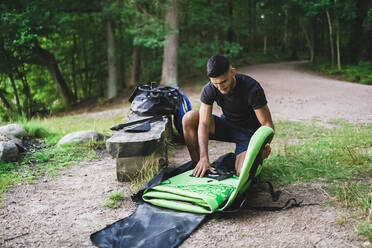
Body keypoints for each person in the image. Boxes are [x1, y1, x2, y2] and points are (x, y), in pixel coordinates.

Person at [182, 55, 274, 178]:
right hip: (228, 126)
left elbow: (267, 124)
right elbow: (204, 123)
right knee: (189, 118)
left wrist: (264, 145)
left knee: (242, 173)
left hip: (249, 134)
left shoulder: (252, 88)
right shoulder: (209, 89)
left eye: (223, 82)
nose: (220, 88)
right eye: (215, 84)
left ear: (232, 72)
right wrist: (204, 157)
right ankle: (199, 166)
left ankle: (241, 158)